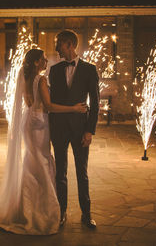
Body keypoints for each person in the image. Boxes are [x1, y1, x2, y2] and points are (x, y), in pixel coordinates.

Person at [0, 49, 87, 235]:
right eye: (44, 59)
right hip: (40, 123)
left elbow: (30, 103)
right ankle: (37, 210)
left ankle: (24, 205)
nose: (47, 61)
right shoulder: (41, 80)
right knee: (41, 161)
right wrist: (73, 108)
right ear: (37, 62)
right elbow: (49, 106)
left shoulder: (25, 78)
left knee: (32, 162)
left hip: (29, 122)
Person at [49, 30, 99, 228]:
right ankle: (61, 212)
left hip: (80, 129)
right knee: (60, 172)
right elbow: (51, 102)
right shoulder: (54, 70)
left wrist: (90, 131)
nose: (56, 49)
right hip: (59, 129)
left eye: (59, 44)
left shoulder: (89, 69)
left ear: (69, 44)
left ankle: (86, 214)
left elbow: (95, 103)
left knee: (82, 172)